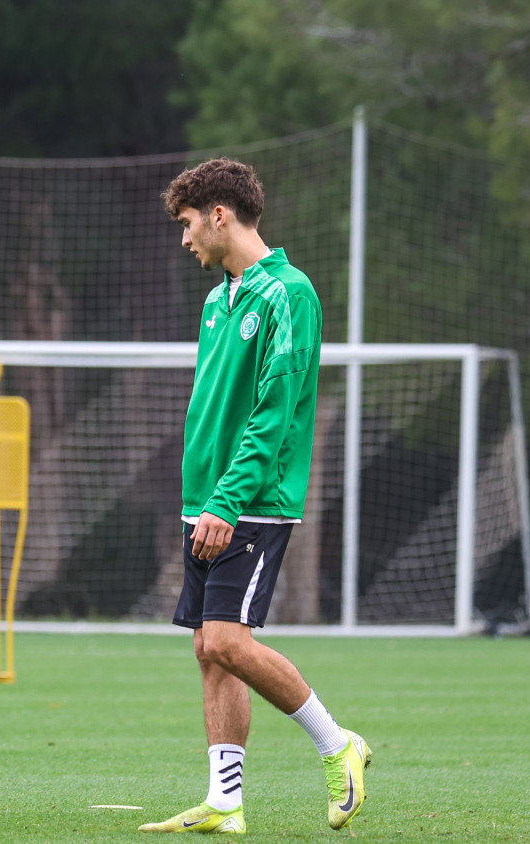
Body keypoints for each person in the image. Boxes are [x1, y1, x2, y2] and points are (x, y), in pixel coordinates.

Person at [140, 158, 371, 835]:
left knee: (228, 642)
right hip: (205, 501)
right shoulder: (221, 300)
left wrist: (226, 501)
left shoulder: (288, 293)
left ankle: (340, 745)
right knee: (209, 649)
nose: (184, 241)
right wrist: (200, 498)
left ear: (219, 214)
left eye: (187, 225)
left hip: (250, 503)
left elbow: (274, 410)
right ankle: (225, 801)